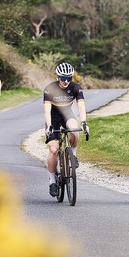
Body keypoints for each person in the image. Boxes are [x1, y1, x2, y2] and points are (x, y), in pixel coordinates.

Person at [43, 62, 89, 197]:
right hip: (53, 118)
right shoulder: (49, 88)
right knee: (54, 149)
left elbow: (81, 106)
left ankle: (73, 155)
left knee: (74, 129)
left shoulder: (76, 88)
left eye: (69, 78)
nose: (66, 81)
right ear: (58, 77)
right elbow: (47, 110)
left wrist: (84, 122)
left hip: (67, 115)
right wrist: (49, 125)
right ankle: (52, 180)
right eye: (63, 78)